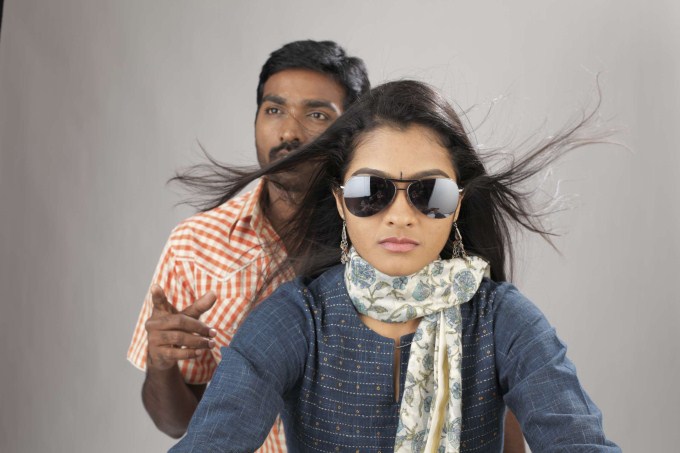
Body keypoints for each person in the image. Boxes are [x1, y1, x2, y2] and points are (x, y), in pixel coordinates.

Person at [169, 80, 620, 452]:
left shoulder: (503, 319)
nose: (401, 215)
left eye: (430, 193)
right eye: (372, 191)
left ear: (458, 205)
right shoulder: (294, 319)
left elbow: (578, 442)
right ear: (340, 202)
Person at [127, 40, 371, 449]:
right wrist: (161, 363)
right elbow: (177, 423)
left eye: (316, 114)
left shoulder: (386, 237)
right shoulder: (195, 245)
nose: (289, 132)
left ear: (354, 132)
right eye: (274, 110)